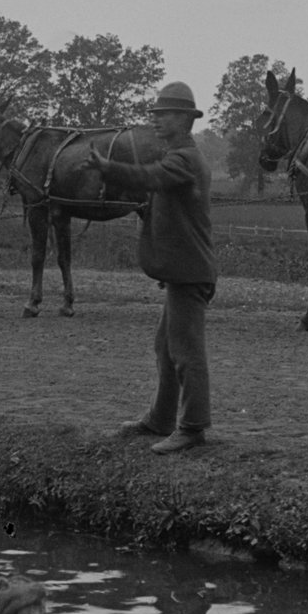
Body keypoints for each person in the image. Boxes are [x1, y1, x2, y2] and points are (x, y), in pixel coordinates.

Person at [92, 81, 219, 454]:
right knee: (166, 346)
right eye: (156, 115)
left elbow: (149, 177)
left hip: (190, 272)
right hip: (183, 270)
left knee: (185, 351)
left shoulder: (183, 160)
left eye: (163, 115)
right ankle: (161, 420)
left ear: (184, 119)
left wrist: (107, 167)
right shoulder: (180, 158)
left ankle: (193, 427)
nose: (157, 121)